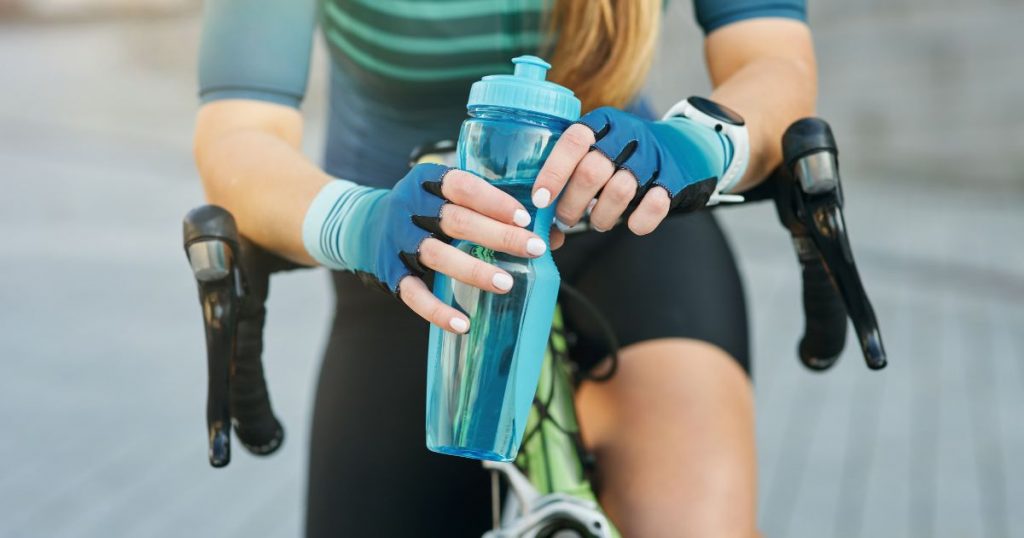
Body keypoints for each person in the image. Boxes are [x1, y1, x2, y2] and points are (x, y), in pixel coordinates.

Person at [194, 1, 816, 536]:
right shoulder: (392, 236)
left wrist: (693, 143)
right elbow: (238, 133)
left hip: (626, 217)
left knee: (690, 522)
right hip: (408, 247)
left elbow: (771, 60)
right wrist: (359, 221)